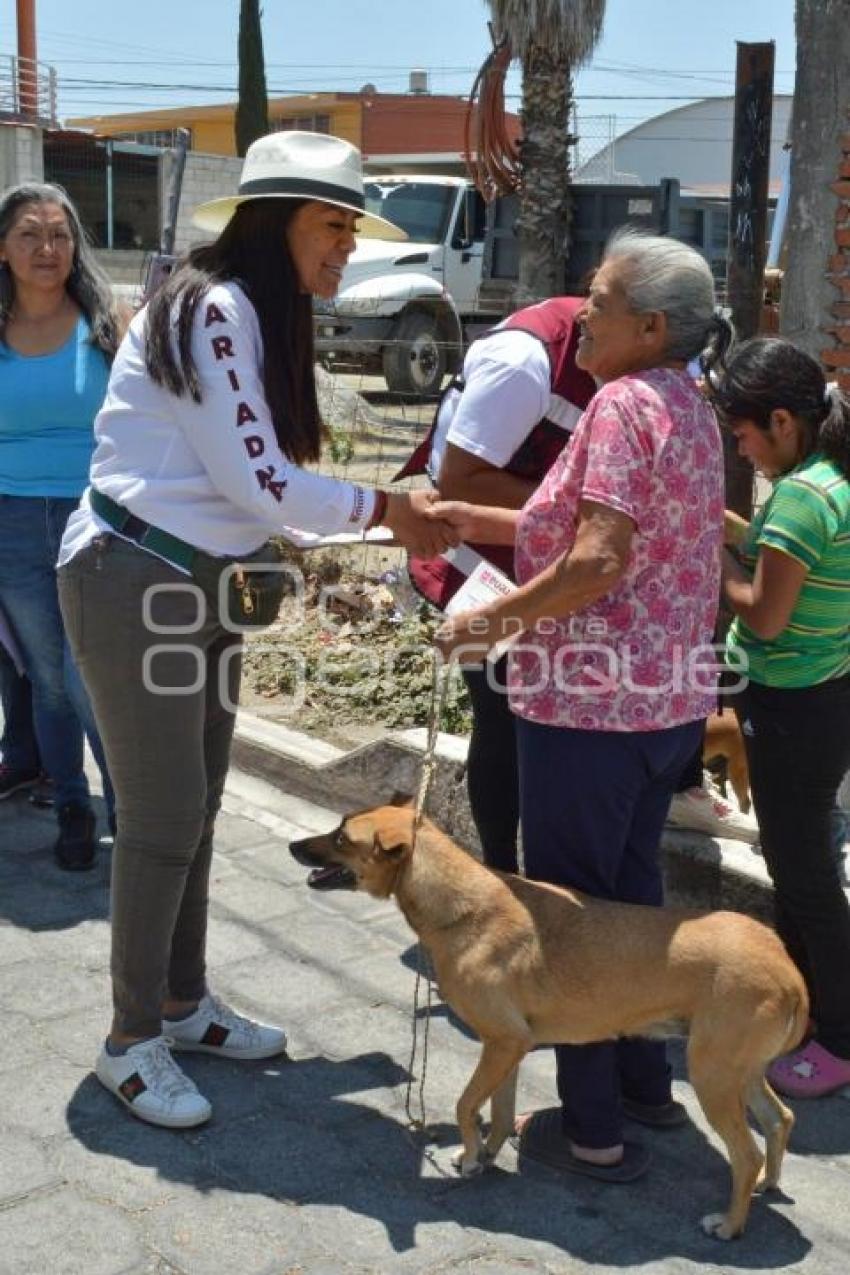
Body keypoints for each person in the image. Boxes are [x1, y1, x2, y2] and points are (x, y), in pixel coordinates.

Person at [56, 130, 459, 1131]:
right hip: (134, 577)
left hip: (201, 580)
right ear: (280, 223)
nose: (344, 250)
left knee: (192, 808)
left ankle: (180, 1008)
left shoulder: (244, 314)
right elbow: (262, 482)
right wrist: (385, 506)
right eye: (332, 227)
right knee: (159, 820)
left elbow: (252, 486)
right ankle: (128, 1042)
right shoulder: (216, 309)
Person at [435, 228, 728, 1181]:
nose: (583, 314)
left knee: (569, 925)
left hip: (590, 710)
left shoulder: (618, 405)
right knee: (632, 904)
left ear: (649, 326)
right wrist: (469, 519)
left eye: (598, 301)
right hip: (664, 708)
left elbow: (597, 560)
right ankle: (644, 1084)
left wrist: (493, 622)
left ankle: (593, 1125)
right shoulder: (689, 405)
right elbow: (588, 525)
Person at [395, 295, 596, 871]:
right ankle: (501, 874)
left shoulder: (637, 357)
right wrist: (594, 511)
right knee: (504, 719)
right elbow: (462, 480)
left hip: (548, 562)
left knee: (546, 724)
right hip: (481, 566)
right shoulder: (523, 360)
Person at [713, 337, 850, 1098]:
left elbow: (763, 615)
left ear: (781, 421)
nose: (740, 446)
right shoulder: (828, 480)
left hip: (791, 707)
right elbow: (778, 556)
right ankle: (803, 1013)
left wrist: (715, 560)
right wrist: (730, 527)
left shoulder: (800, 496)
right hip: (821, 699)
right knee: (800, 866)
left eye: (742, 434)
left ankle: (838, 1039)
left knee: (804, 878)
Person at [0, 181, 116, 868]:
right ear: (4, 249)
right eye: (29, 235)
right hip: (10, 524)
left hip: (96, 523)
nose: (47, 248)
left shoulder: (106, 325)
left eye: (60, 234)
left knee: (88, 675)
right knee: (46, 675)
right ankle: (73, 803)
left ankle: (129, 811)